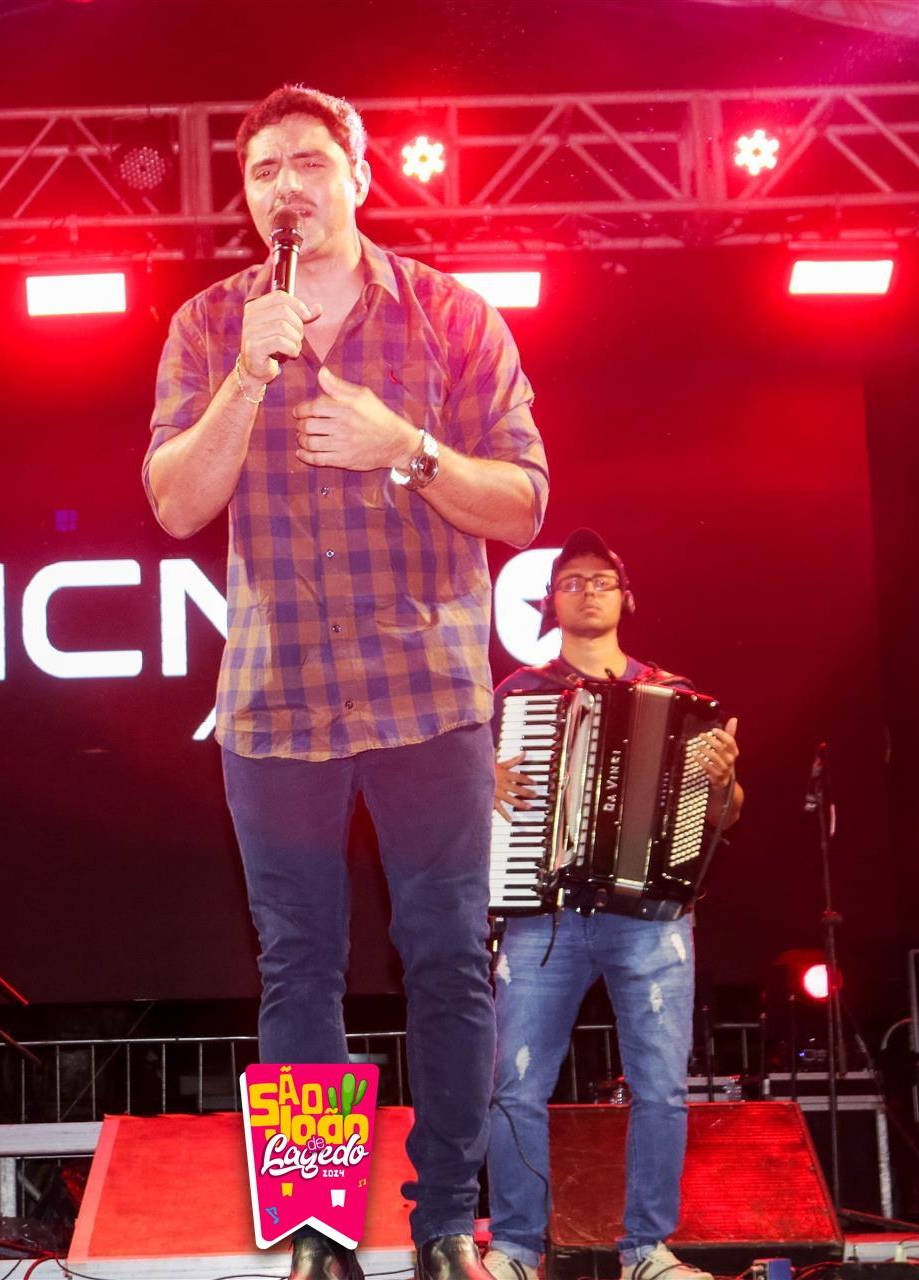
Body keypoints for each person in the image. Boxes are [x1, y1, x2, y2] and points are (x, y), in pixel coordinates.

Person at [142, 84, 547, 1280]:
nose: (286, 186)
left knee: (447, 958)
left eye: (309, 162)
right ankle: (317, 1235)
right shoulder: (211, 326)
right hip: (276, 704)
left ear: (360, 176)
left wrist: (407, 448)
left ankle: (448, 1223)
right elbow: (175, 504)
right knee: (299, 965)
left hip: (427, 695)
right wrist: (247, 377)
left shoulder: (451, 316)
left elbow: (524, 504)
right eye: (263, 169)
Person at [484, 531, 741, 1280]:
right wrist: (483, 785)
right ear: (550, 602)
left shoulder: (678, 696)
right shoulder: (519, 695)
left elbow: (724, 816)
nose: (588, 591)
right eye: (572, 581)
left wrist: (724, 782)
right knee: (515, 1086)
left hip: (651, 918)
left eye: (601, 581)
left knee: (661, 1088)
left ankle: (647, 1252)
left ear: (626, 598)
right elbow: (472, 799)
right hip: (544, 915)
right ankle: (515, 1249)